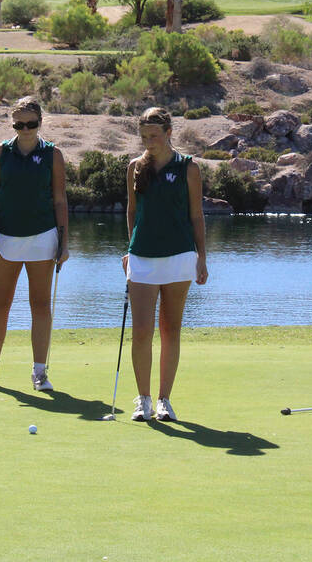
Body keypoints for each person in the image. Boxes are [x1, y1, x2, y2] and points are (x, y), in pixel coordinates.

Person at [0, 96, 70, 391]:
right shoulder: (0, 153)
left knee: (40, 305)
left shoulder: (53, 155)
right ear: (13, 124)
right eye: (19, 124)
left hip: (43, 237)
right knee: (0, 304)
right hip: (4, 237)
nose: (25, 129)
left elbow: (59, 199)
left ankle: (39, 373)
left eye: (31, 124)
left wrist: (64, 242)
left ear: (40, 123)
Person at [123, 107, 208, 422]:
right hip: (143, 257)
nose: (148, 142)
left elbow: (196, 215)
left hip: (180, 256)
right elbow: (132, 212)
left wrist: (202, 257)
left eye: (154, 136)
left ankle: (164, 400)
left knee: (170, 329)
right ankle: (143, 399)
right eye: (144, 136)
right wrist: (130, 249)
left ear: (169, 133)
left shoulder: (189, 168)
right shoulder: (134, 167)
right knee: (142, 331)